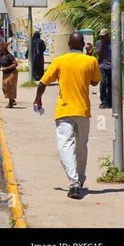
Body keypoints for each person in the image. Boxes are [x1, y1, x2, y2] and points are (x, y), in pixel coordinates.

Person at [34, 32, 100, 199]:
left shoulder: (59, 61)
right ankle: (80, 180)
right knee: (81, 147)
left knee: (66, 146)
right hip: (83, 111)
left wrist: (38, 99)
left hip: (64, 111)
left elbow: (43, 82)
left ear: (69, 44)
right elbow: (95, 81)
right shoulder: (90, 61)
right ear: (83, 44)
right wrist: (89, 58)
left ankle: (74, 184)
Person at [95, 29, 112, 109]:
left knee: (111, 84)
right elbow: (98, 53)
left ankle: (110, 101)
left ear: (107, 35)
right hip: (102, 66)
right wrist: (102, 44)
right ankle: (103, 101)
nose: (102, 37)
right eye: (101, 36)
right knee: (103, 83)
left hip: (112, 66)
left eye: (104, 36)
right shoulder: (98, 43)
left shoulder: (112, 43)